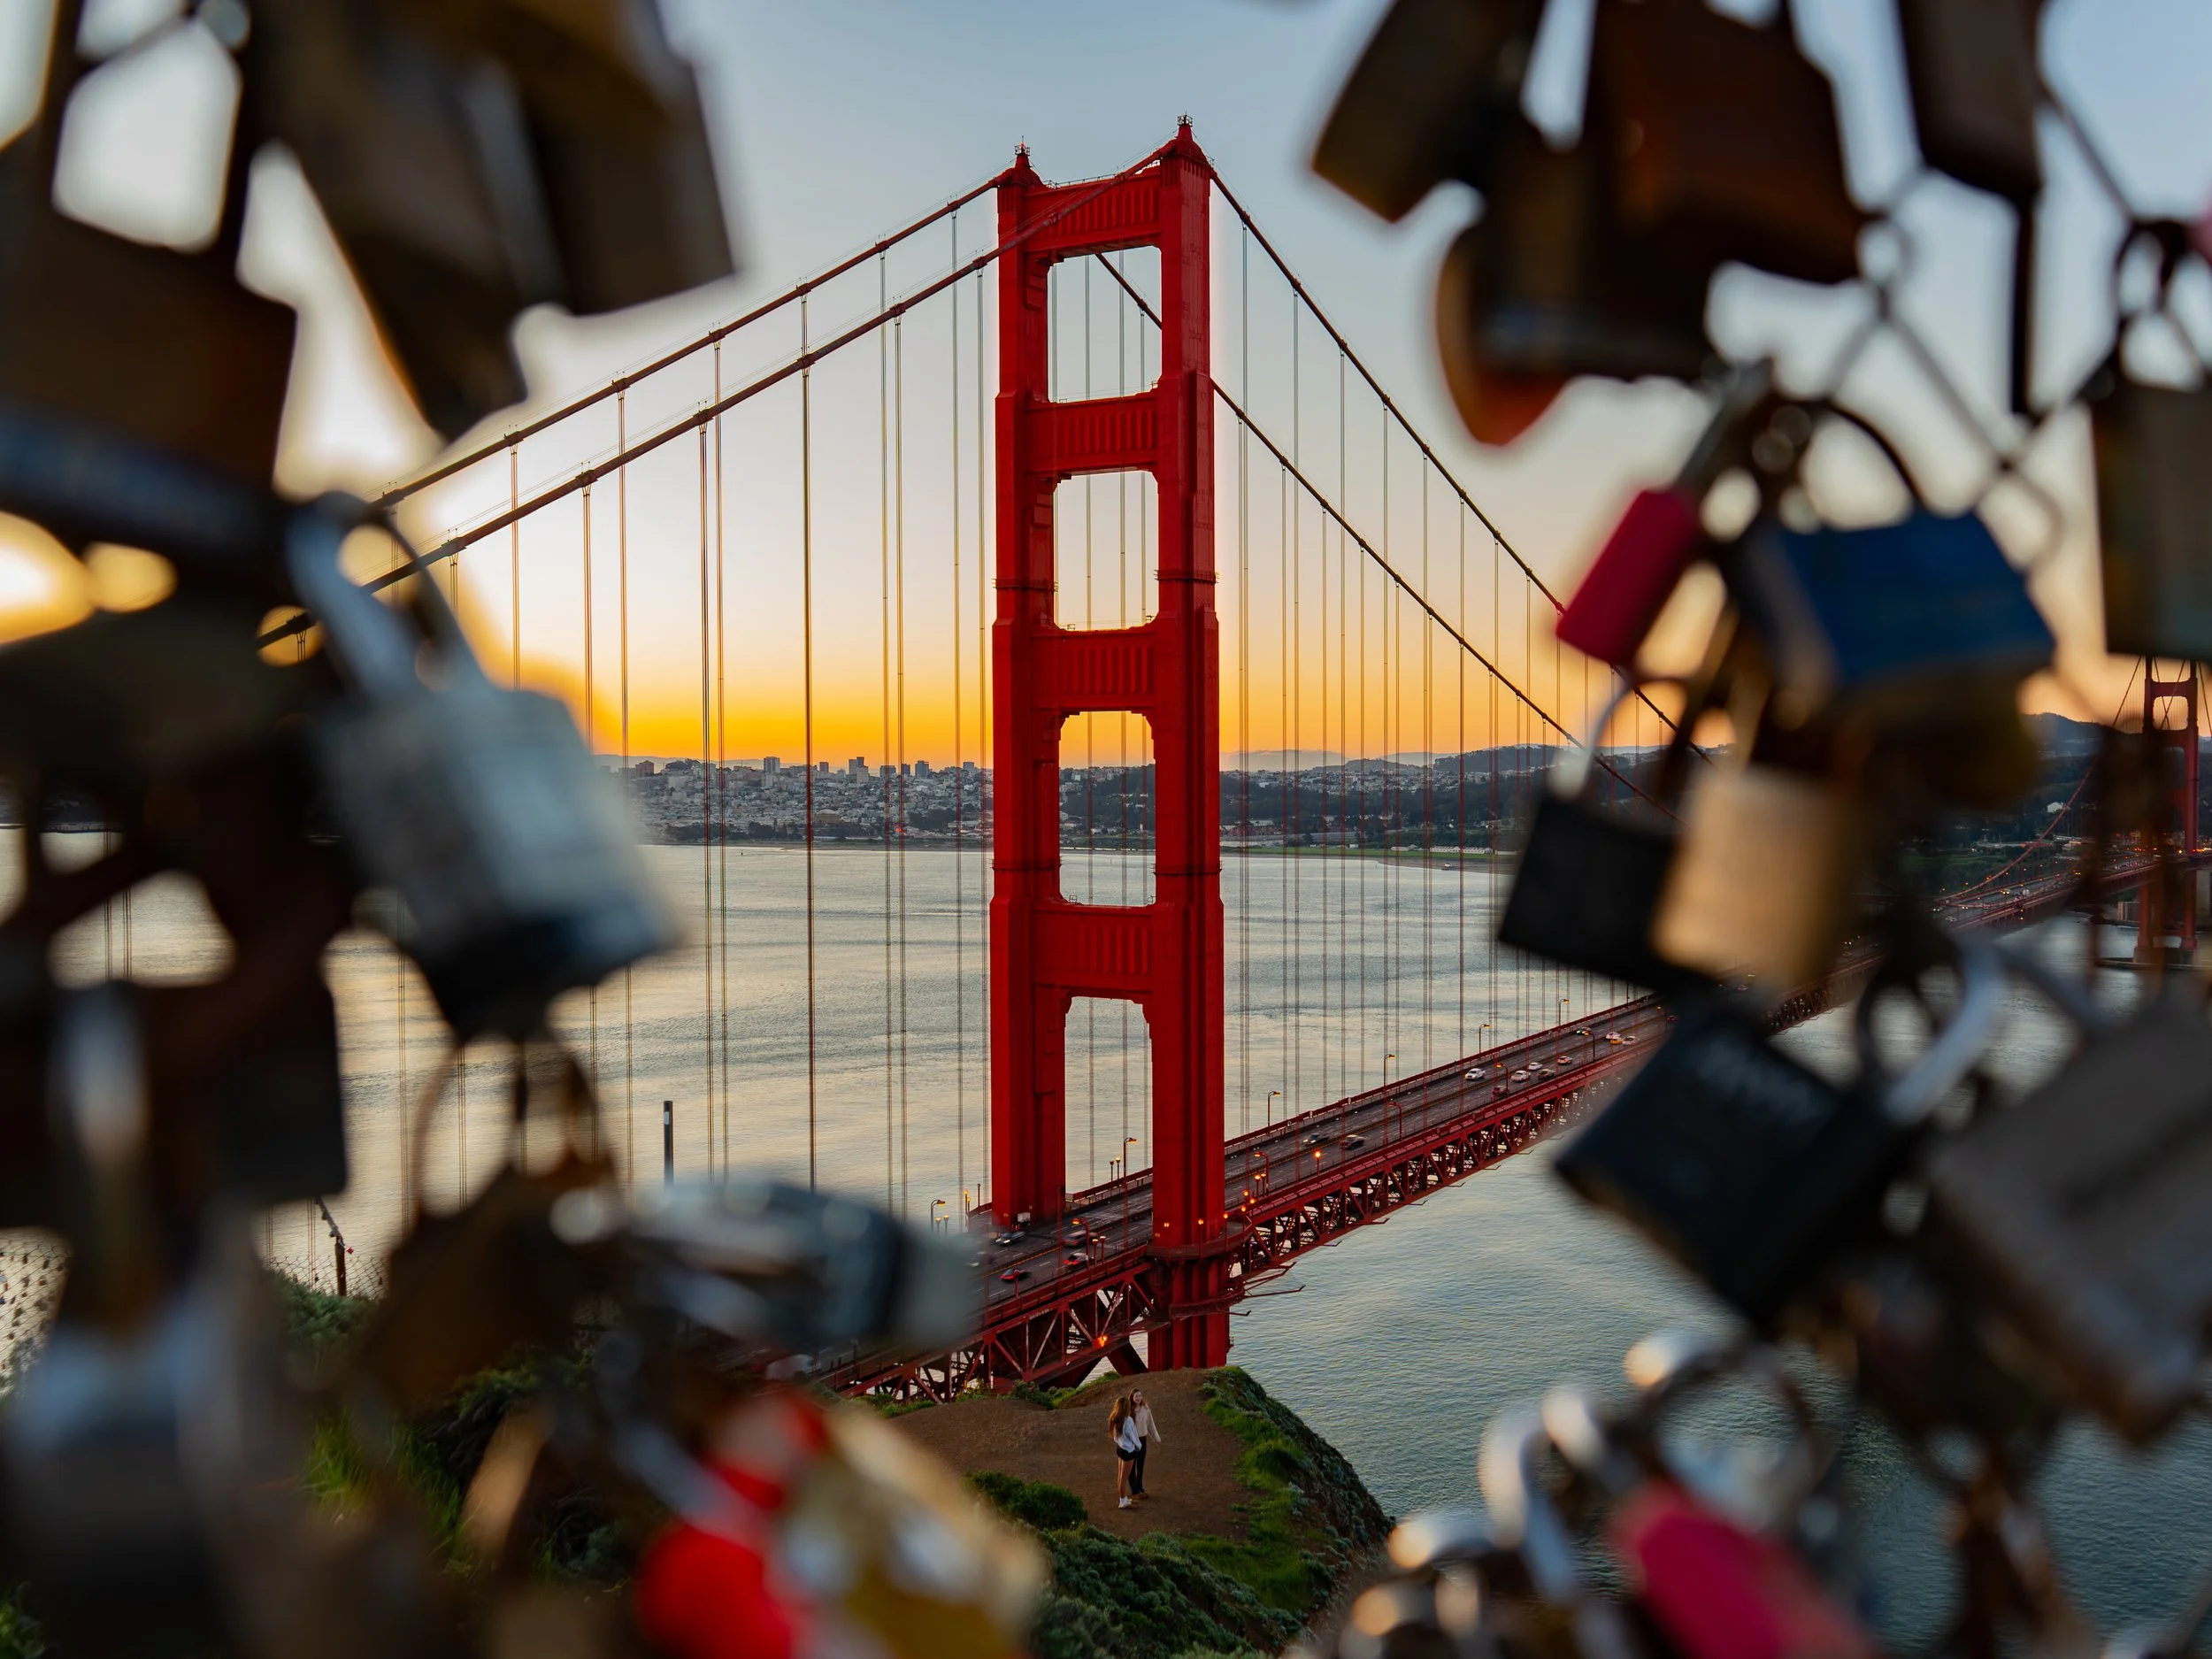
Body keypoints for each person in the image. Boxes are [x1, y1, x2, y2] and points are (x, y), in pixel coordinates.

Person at [1128, 1387, 1163, 1500]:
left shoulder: (1146, 1409)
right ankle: (1134, 1489)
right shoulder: (1129, 1411)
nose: (1138, 1398)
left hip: (1143, 1439)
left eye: (1140, 1396)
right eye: (1136, 1396)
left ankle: (1140, 1486)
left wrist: (1156, 1437)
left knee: (1141, 1465)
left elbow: (1151, 1425)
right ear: (1132, 1398)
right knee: (1132, 1466)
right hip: (1132, 1441)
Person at [1108, 1394, 1141, 1509]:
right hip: (1128, 1451)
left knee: (1120, 1476)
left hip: (1120, 1449)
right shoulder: (1128, 1420)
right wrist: (1139, 1446)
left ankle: (1123, 1499)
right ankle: (1122, 1501)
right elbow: (1134, 1437)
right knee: (1124, 1478)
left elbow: (1115, 1437)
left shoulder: (1115, 1419)